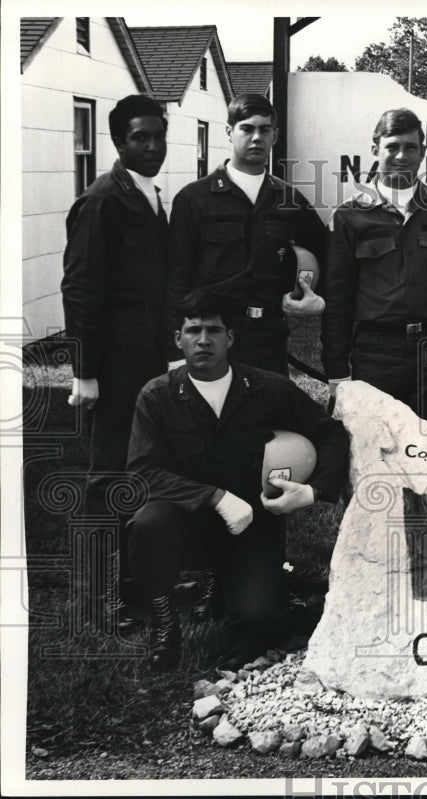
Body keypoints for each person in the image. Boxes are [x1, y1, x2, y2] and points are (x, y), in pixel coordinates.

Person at [126, 291, 349, 670]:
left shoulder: (267, 388)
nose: (203, 340)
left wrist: (313, 491)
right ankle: (165, 625)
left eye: (214, 330)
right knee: (147, 524)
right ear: (177, 339)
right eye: (193, 330)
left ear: (231, 338)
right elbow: (142, 471)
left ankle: (232, 588)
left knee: (263, 620)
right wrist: (213, 496)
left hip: (249, 527)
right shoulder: (157, 395)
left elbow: (330, 433)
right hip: (184, 523)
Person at [61, 94, 170, 633]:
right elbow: (81, 288)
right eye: (139, 138)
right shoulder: (103, 200)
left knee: (143, 470)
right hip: (115, 359)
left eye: (158, 136)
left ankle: (136, 584)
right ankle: (98, 599)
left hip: (148, 355)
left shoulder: (147, 194)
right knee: (108, 476)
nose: (152, 147)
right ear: (118, 142)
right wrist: (86, 372)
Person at [321, 108, 427, 433]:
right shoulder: (349, 217)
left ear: (422, 153)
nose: (401, 156)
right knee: (375, 451)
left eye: (410, 147)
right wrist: (336, 370)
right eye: (392, 146)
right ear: (375, 150)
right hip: (375, 352)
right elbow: (337, 298)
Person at [167, 93, 328, 376]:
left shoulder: (289, 198)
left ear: (275, 135)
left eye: (264, 130)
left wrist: (317, 299)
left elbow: (328, 253)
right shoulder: (193, 199)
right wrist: (174, 353)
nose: (256, 137)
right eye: (247, 128)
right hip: (211, 340)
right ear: (229, 132)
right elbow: (175, 278)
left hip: (269, 339)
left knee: (270, 419)